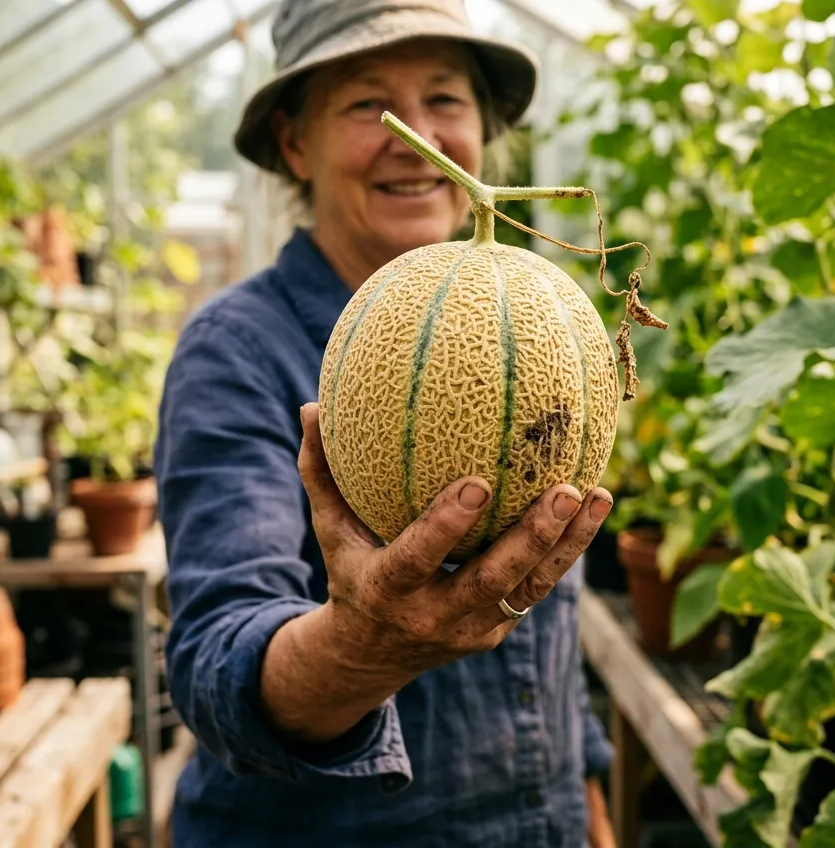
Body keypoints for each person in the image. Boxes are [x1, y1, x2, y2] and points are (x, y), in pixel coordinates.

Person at [153, 1, 618, 845]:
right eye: (370, 105)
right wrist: (361, 646)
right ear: (296, 144)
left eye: (444, 100)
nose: (416, 138)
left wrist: (587, 809)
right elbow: (213, 664)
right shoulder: (235, 352)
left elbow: (550, 651)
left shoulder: (541, 323)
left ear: (482, 128)